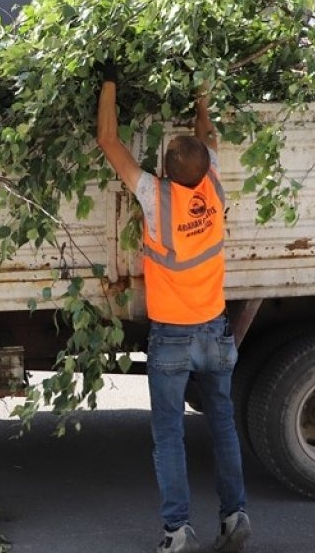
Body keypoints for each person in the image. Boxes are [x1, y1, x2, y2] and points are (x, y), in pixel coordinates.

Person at [95, 63, 250, 553]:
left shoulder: (156, 199)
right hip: (215, 331)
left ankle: (177, 532)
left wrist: (109, 83)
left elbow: (108, 142)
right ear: (204, 168)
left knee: (169, 434)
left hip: (173, 337)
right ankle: (235, 516)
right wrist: (201, 96)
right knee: (222, 422)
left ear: (165, 171)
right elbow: (207, 136)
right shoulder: (215, 186)